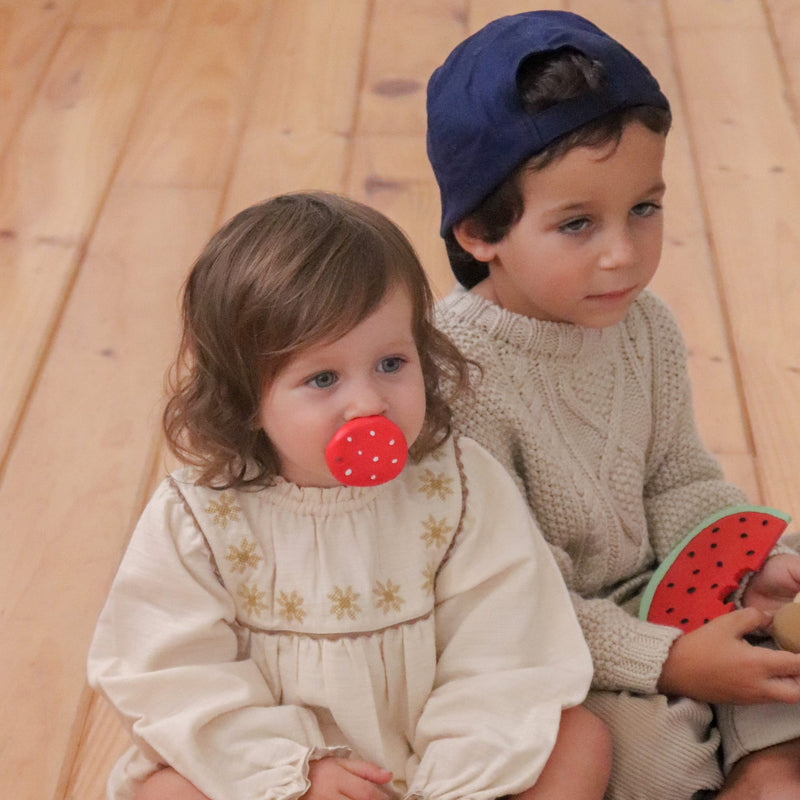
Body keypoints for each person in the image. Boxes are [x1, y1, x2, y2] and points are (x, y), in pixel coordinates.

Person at [87, 191, 611, 800]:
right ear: (245, 398)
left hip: (443, 767)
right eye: (323, 378)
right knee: (164, 791)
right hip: (285, 779)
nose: (368, 402)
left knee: (580, 738)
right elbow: (171, 675)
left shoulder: (459, 487)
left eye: (391, 363)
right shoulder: (201, 515)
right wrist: (294, 772)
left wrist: (455, 782)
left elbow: (504, 649)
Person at [427, 10, 800, 800]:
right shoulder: (455, 378)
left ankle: (767, 764)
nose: (623, 254)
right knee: (654, 753)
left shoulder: (644, 326)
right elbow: (512, 607)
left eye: (645, 208)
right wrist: (669, 661)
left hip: (666, 596)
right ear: (478, 231)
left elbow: (680, 480)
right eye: (576, 224)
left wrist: (753, 561)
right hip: (558, 644)